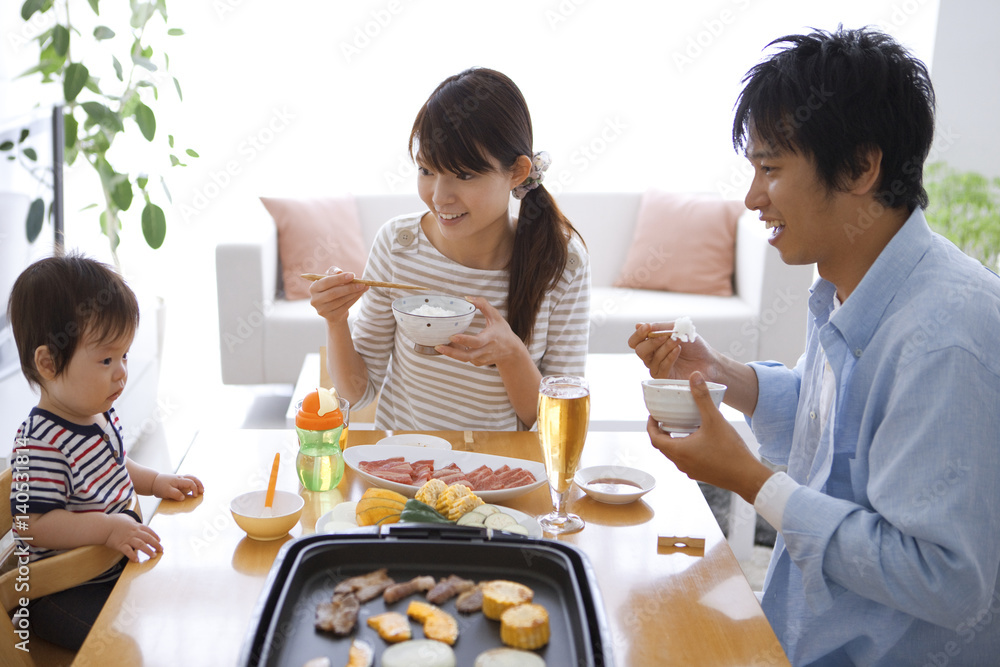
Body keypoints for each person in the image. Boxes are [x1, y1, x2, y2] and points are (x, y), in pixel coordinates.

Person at [630, 27, 1000, 666]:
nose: (752, 198)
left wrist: (752, 481)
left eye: (771, 168)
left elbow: (945, 579)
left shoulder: (946, 337)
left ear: (861, 166)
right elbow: (835, 421)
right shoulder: (848, 284)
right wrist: (721, 373)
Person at [309, 67, 590, 431]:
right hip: (404, 474)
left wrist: (511, 355)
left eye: (465, 175)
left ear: (518, 172)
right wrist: (336, 320)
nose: (439, 197)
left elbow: (559, 424)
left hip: (502, 477)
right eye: (426, 170)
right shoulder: (398, 245)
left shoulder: (561, 263)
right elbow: (358, 393)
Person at [7, 254, 204, 650]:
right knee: (128, 644)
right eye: (106, 359)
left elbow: (115, 466)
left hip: (107, 569)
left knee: (179, 605)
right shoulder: (39, 441)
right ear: (47, 362)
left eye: (125, 355)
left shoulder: (98, 413)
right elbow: (32, 524)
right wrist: (108, 526)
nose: (122, 372)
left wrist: (154, 481)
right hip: (60, 590)